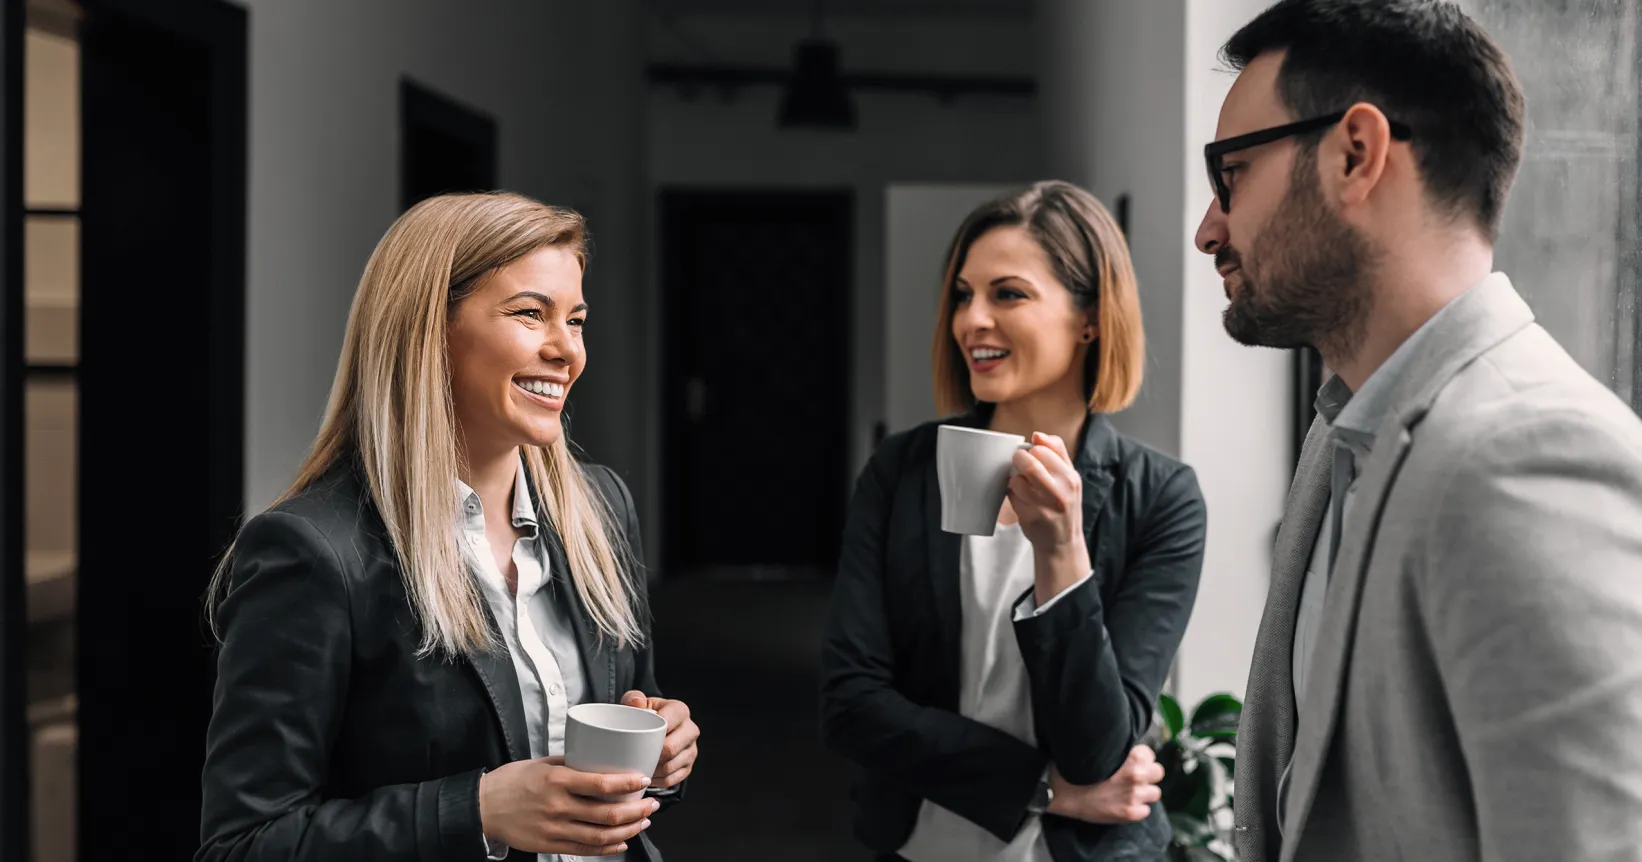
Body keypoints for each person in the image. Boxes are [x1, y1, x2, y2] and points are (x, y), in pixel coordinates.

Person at [1194, 2, 1642, 860]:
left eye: (1232, 176)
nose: (1209, 228)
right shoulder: (1342, 432)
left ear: (1355, 155)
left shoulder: (1531, 457)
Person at [196, 192, 699, 862]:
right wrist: (479, 811)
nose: (566, 351)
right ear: (429, 329)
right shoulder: (313, 553)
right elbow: (243, 846)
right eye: (531, 314)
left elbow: (630, 712)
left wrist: (662, 749)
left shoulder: (601, 510)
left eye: (575, 321)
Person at [822, 180, 1208, 862]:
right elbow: (852, 705)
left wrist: (1061, 550)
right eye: (963, 296)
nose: (971, 320)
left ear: (1089, 318)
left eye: (1008, 293)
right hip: (916, 847)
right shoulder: (902, 472)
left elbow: (1098, 751)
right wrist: (1039, 786)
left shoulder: (1161, 499)